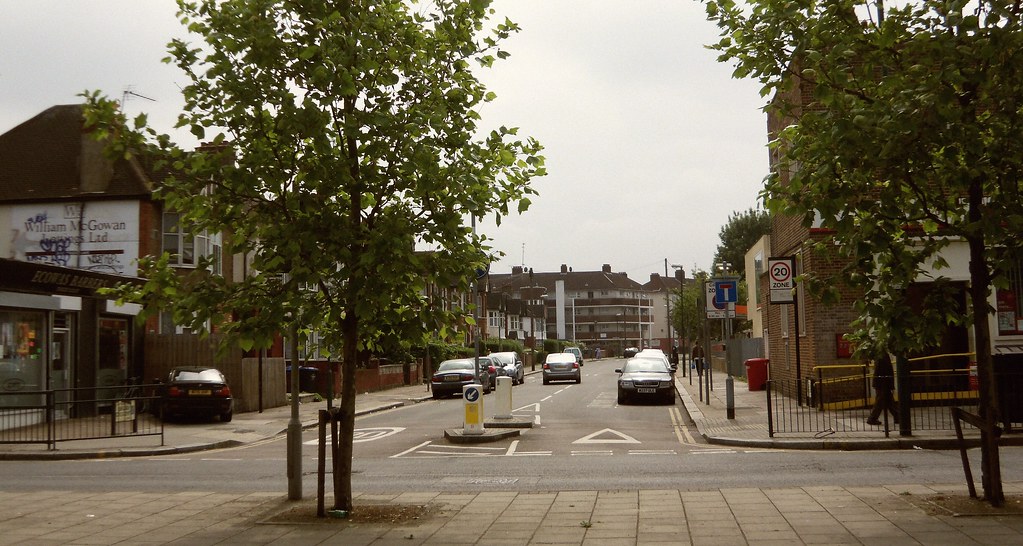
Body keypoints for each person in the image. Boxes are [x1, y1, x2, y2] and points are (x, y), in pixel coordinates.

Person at [867, 352, 898, 425]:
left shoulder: (880, 355)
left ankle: (897, 416)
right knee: (880, 401)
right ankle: (872, 418)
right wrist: (890, 384)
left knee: (889, 401)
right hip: (883, 383)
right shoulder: (883, 356)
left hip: (882, 382)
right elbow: (886, 370)